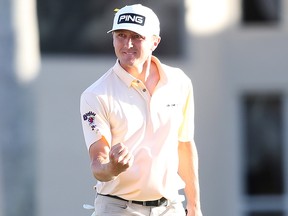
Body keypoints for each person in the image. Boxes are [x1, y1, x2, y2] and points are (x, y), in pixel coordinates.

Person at [80, 4, 202, 216]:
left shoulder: (179, 82)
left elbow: (184, 145)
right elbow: (97, 164)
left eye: (137, 36)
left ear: (155, 41)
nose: (127, 44)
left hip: (170, 207)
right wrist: (112, 168)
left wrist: (194, 206)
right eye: (121, 35)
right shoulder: (95, 95)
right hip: (117, 208)